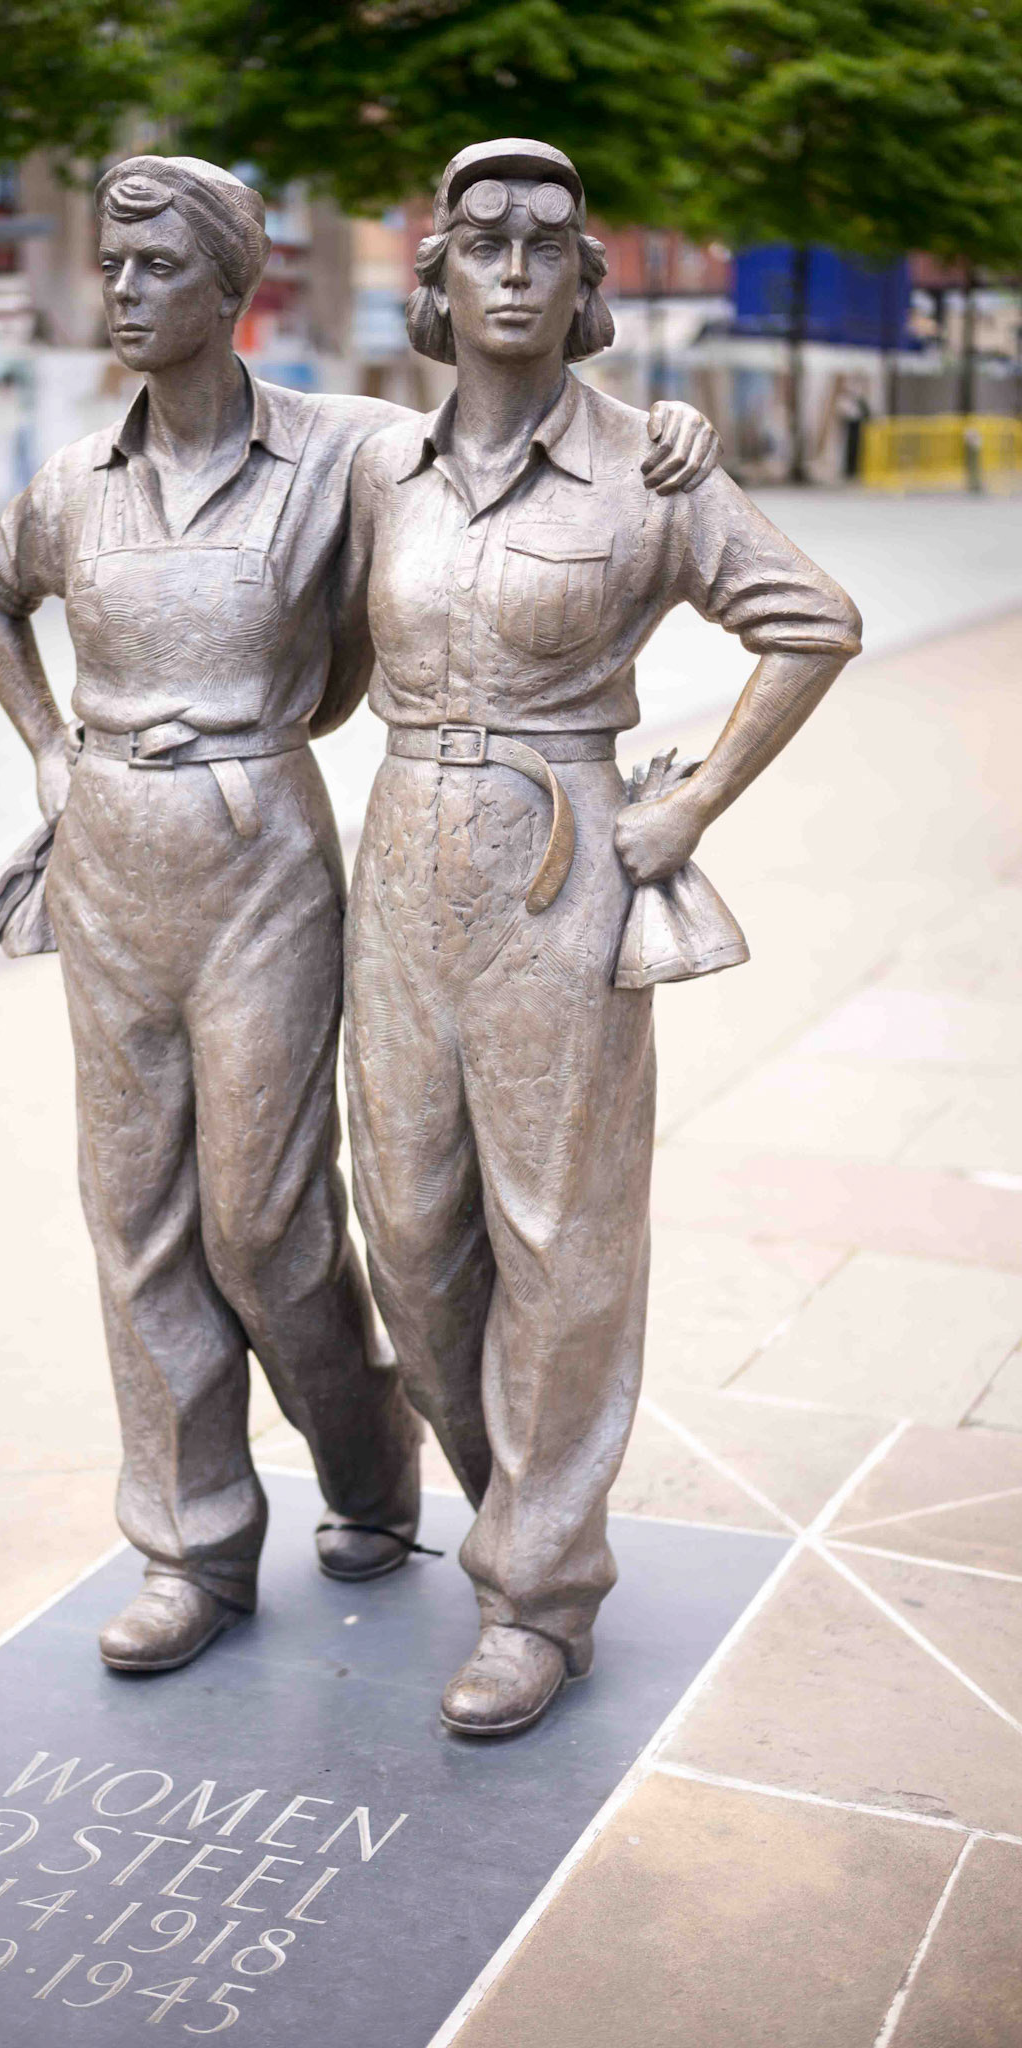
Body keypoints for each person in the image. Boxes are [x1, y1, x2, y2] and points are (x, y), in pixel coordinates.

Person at [0, 153, 721, 1678]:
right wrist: (48, 745)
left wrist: (666, 432)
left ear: (236, 288)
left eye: (155, 265)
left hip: (265, 868)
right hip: (108, 865)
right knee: (136, 1224)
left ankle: (369, 1468)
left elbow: (488, 449)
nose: (120, 291)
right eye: (108, 267)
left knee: (264, 1222)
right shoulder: (76, 483)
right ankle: (193, 1545)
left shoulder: (347, 453)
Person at [342, 139, 862, 1736]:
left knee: (562, 1241)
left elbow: (812, 619)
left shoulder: (656, 464)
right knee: (413, 1240)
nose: (513, 267)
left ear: (585, 285)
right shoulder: (377, 466)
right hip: (397, 868)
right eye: (480, 242)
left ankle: (541, 1591)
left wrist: (692, 803)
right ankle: (511, 1495)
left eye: (547, 245)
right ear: (432, 279)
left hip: (560, 870)